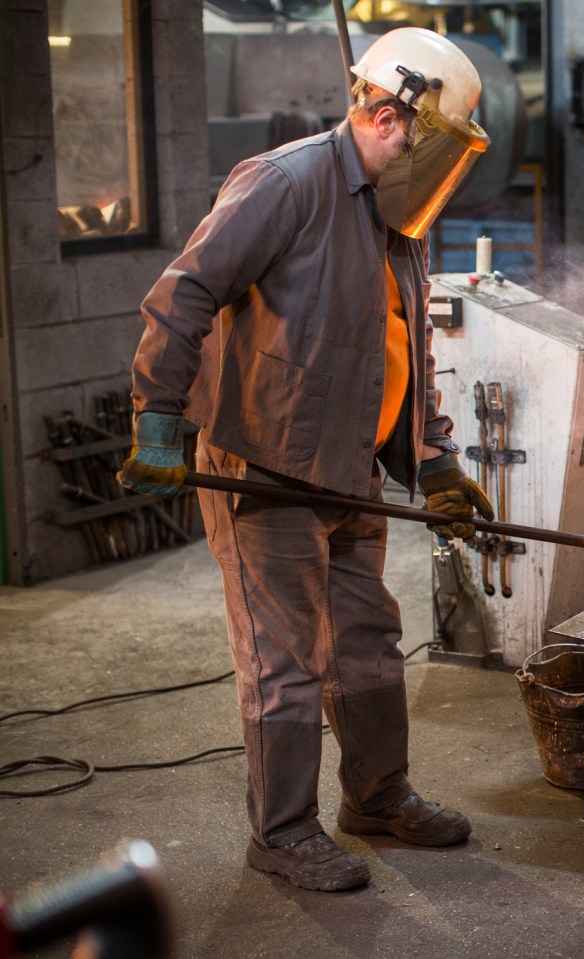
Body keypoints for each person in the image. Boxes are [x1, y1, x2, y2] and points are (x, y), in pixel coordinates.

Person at [118, 28, 495, 893]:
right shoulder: (286, 183)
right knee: (284, 660)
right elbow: (184, 293)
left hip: (348, 466)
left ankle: (376, 795)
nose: (433, 163)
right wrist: (159, 421)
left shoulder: (401, 218)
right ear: (390, 114)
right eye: (431, 143)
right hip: (266, 466)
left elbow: (404, 348)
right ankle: (283, 833)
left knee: (366, 642)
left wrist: (431, 457)